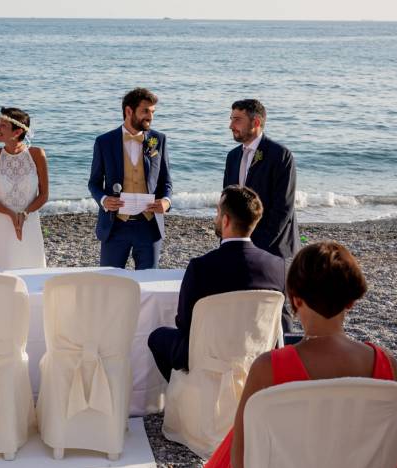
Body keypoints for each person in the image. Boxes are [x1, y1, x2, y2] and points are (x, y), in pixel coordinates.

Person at [203, 241, 397, 468]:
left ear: (295, 299)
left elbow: (240, 458)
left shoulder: (268, 367)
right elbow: (394, 449)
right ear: (351, 301)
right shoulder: (386, 364)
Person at [147, 185, 286, 380]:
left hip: (209, 357)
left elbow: (184, 323)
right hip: (254, 353)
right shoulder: (276, 266)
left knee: (157, 337)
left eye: (218, 212)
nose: (216, 217)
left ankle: (188, 390)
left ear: (226, 220)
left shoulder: (201, 267)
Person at [88, 87, 173, 269]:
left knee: (149, 283)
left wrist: (166, 201)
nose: (150, 117)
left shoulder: (159, 139)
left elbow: (166, 181)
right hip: (115, 225)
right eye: (145, 111)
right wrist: (104, 200)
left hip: (149, 226)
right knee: (110, 282)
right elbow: (94, 183)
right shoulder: (104, 142)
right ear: (128, 111)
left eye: (152, 112)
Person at [223, 99, 299, 259]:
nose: (231, 126)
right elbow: (227, 201)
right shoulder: (233, 156)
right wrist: (227, 240)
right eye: (231, 119)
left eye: (237, 120)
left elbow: (283, 209)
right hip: (239, 244)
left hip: (274, 248)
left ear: (256, 122)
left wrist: (256, 247)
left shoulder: (280, 155)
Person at [0, 107, 49, 270]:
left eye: (2, 125)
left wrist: (25, 214)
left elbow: (44, 194)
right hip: (1, 224)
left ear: (17, 131)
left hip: (29, 222)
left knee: (32, 273)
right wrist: (11, 215)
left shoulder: (37, 154)